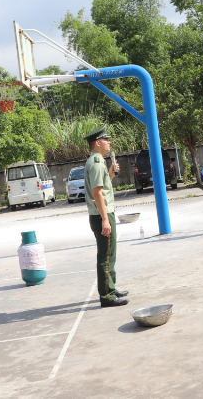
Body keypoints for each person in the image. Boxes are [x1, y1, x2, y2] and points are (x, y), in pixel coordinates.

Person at [84, 125, 129, 308]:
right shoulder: (95, 163)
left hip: (104, 213)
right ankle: (107, 296)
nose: (109, 142)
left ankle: (111, 287)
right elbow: (97, 194)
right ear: (97, 142)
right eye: (106, 139)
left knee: (110, 254)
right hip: (102, 215)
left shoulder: (99, 161)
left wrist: (110, 174)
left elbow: (102, 187)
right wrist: (104, 219)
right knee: (105, 256)